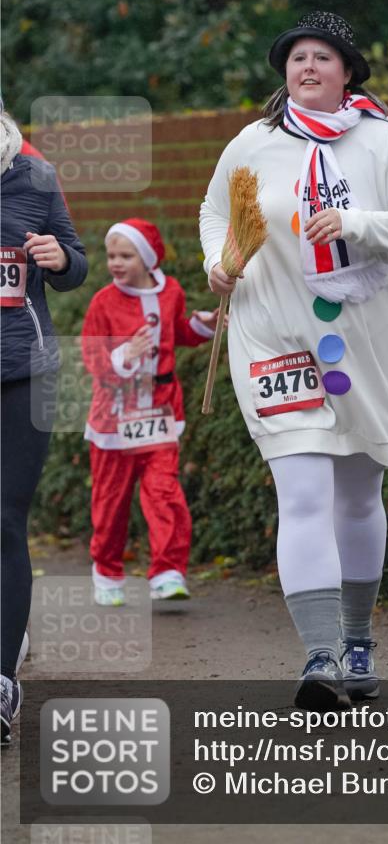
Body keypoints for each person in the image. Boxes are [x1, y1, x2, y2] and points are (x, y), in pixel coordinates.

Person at [200, 11, 388, 710]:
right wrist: (218, 262)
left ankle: (357, 638)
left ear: (346, 74)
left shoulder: (381, 143)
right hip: (271, 332)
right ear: (284, 71)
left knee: (356, 494)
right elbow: (215, 210)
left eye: (323, 58)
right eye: (297, 57)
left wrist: (357, 223)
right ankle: (320, 655)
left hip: (365, 336)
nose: (307, 67)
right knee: (302, 491)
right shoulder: (253, 142)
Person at [1, 108, 88, 745]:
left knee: (4, 519)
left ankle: (1, 680)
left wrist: (59, 259)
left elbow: (77, 262)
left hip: (21, 373)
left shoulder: (33, 176)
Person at [81, 218, 219, 606]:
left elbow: (178, 333)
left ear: (147, 257)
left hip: (159, 413)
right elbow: (93, 358)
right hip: (114, 419)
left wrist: (201, 325)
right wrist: (126, 353)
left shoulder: (171, 291)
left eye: (126, 255)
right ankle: (107, 573)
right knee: (112, 501)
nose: (116, 263)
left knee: (164, 492)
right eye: (111, 256)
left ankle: (168, 572)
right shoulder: (102, 303)